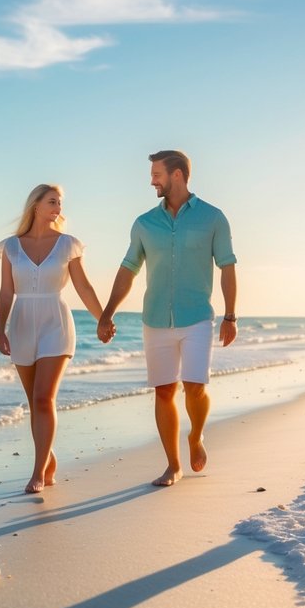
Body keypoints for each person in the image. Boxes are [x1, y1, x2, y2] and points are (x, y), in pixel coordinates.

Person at [97, 150, 237, 486]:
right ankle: (173, 465)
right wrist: (107, 313)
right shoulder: (144, 223)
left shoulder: (213, 218)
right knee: (163, 391)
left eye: (156, 174)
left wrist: (231, 316)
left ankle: (196, 435)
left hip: (197, 317)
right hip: (155, 318)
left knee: (195, 386)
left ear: (177, 175)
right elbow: (128, 270)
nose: (151, 181)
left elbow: (228, 266)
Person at [0, 184, 104, 494]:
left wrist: (103, 319)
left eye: (60, 202)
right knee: (34, 403)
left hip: (55, 322)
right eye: (52, 201)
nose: (58, 207)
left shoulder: (68, 244)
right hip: (21, 324)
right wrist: (0, 328)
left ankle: (38, 473)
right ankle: (49, 456)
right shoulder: (11, 247)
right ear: (35, 206)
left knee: (44, 399)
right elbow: (6, 292)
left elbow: (84, 287)